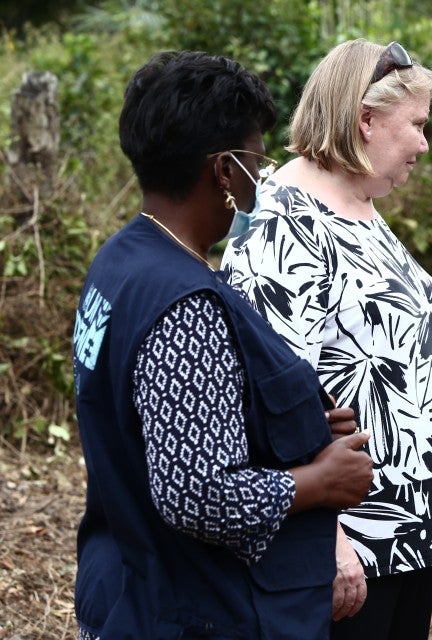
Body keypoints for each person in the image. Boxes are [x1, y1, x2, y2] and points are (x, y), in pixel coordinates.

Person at [71, 51, 374, 640]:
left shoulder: (119, 262)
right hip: (191, 609)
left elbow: (152, 417)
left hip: (128, 579)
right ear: (223, 171)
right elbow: (195, 493)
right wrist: (316, 483)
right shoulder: (184, 305)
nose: (260, 178)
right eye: (256, 160)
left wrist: (282, 424)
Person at [221, 39, 432, 639]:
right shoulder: (286, 221)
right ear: (365, 120)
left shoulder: (359, 202)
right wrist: (331, 543)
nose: (423, 143)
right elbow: (273, 395)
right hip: (347, 545)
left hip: (407, 534)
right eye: (415, 125)